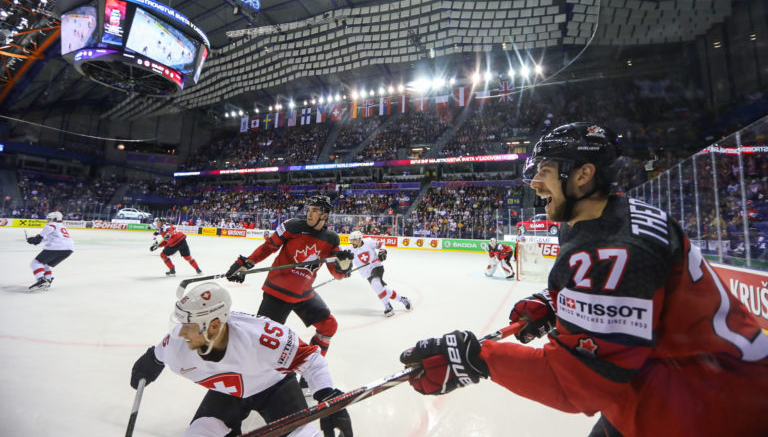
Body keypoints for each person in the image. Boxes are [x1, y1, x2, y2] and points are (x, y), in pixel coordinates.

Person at [398, 122, 768, 437]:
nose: (536, 183)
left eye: (544, 170)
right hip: (679, 383)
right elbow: (639, 301)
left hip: (707, 412)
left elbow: (578, 383)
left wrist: (476, 359)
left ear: (583, 174)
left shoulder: (611, 250)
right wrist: (558, 300)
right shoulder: (617, 216)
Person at [129, 282, 353, 437]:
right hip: (228, 392)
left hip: (273, 386)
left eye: (189, 326)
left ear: (215, 325)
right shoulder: (177, 345)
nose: (181, 332)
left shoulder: (261, 337)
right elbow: (157, 356)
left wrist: (327, 397)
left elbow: (311, 358)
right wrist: (150, 362)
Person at [226, 195, 354, 356]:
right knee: (262, 344)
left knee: (328, 325)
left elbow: (337, 275)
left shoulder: (332, 239)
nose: (309, 213)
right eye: (309, 210)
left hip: (304, 294)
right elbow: (268, 247)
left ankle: (312, 368)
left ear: (325, 215)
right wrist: (246, 263)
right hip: (278, 292)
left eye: (314, 211)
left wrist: (343, 267)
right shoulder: (292, 226)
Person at [346, 230, 411, 317]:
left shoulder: (368, 242)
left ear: (359, 239)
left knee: (376, 285)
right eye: (351, 240)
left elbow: (381, 244)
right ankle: (403, 299)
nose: (352, 242)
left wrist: (382, 251)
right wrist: (346, 269)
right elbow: (347, 261)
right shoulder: (350, 249)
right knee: (383, 290)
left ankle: (388, 307)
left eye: (354, 240)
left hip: (376, 266)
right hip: (367, 273)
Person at [26, 211, 74, 291]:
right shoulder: (62, 226)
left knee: (35, 263)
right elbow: (49, 238)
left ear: (54, 219)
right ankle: (47, 280)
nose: (48, 221)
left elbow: (49, 228)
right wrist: (35, 239)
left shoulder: (52, 224)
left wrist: (39, 237)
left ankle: (42, 280)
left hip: (57, 247)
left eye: (49, 219)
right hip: (69, 249)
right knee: (45, 264)